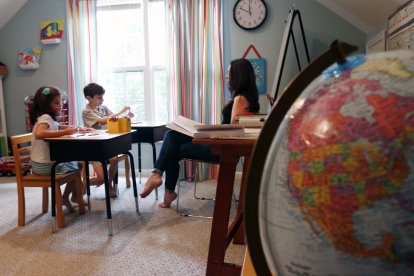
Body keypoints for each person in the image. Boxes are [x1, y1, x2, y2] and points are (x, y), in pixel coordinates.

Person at [140, 58, 260, 208]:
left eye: (229, 72)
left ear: (239, 75)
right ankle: (163, 184)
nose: (227, 76)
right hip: (219, 144)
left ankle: (159, 178)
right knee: (172, 136)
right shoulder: (246, 98)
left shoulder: (240, 99)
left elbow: (232, 131)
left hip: (221, 149)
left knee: (173, 146)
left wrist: (208, 132)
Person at [29, 85, 90, 212]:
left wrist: (78, 128)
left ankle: (71, 197)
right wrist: (66, 132)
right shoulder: (45, 118)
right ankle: (68, 197)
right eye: (56, 103)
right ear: (46, 105)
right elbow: (39, 134)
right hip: (45, 166)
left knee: (75, 164)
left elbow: (61, 126)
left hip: (39, 164)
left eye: (60, 102)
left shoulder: (48, 118)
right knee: (78, 165)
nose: (60, 105)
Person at [82, 82, 132, 198]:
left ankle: (109, 184)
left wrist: (126, 116)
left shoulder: (103, 108)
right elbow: (102, 121)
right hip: (94, 148)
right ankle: (82, 184)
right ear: (88, 98)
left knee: (114, 159)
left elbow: (113, 118)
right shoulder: (87, 112)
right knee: (100, 179)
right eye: (99, 98)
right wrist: (121, 111)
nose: (102, 100)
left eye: (102, 97)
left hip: (106, 145)